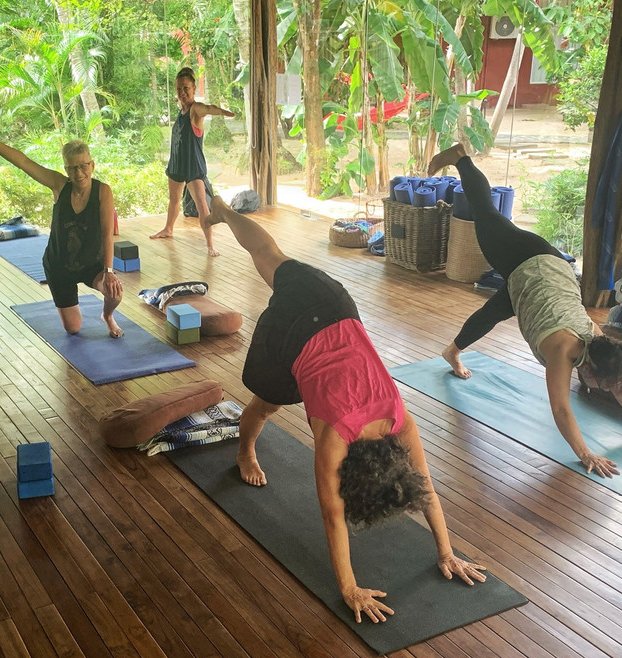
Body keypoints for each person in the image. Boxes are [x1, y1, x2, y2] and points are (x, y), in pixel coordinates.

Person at [205, 196, 487, 623]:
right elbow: (332, 514)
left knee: (268, 253)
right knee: (267, 405)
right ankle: (245, 452)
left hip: (334, 303)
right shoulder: (335, 438)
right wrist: (349, 589)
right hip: (294, 330)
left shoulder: (397, 416)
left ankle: (225, 212)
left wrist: (447, 552)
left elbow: (424, 486)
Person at [429, 143, 622, 477]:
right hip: (525, 258)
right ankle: (460, 158)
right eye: (601, 383)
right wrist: (586, 454)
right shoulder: (562, 349)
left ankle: (452, 352)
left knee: (491, 314)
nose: (602, 389)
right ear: (590, 367)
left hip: (542, 278)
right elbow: (560, 408)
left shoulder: (598, 341)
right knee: (485, 212)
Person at [0, 112, 125, 338]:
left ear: (92, 165)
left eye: (83, 166)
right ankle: (69, 302)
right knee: (73, 328)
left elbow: (108, 234)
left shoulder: (103, 192)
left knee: (115, 292)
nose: (79, 173)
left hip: (92, 264)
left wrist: (108, 271)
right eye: (73, 168)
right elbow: (23, 162)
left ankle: (107, 316)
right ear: (66, 169)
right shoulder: (59, 185)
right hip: (59, 266)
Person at [150, 67, 235, 257]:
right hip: (177, 162)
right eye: (179, 89)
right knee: (174, 200)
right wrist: (180, 100)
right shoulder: (182, 109)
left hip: (193, 165)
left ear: (194, 88)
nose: (182, 92)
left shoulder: (195, 109)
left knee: (202, 205)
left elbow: (209, 108)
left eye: (186, 88)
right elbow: (181, 101)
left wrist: (225, 112)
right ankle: (168, 229)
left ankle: (210, 244)